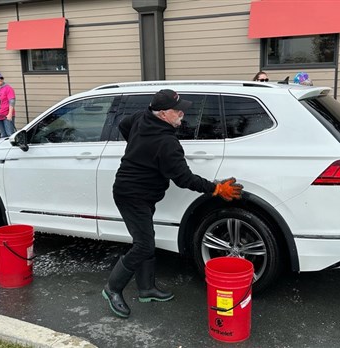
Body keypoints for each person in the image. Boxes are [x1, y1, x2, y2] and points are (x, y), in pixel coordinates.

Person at [103, 89, 244, 318]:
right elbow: (184, 179)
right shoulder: (166, 143)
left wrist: (137, 149)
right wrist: (216, 188)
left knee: (145, 238)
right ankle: (113, 288)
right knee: (144, 245)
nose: (182, 114)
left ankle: (146, 288)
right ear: (162, 114)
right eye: (177, 111)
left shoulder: (141, 116)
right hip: (131, 195)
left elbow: (124, 125)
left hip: (142, 194)